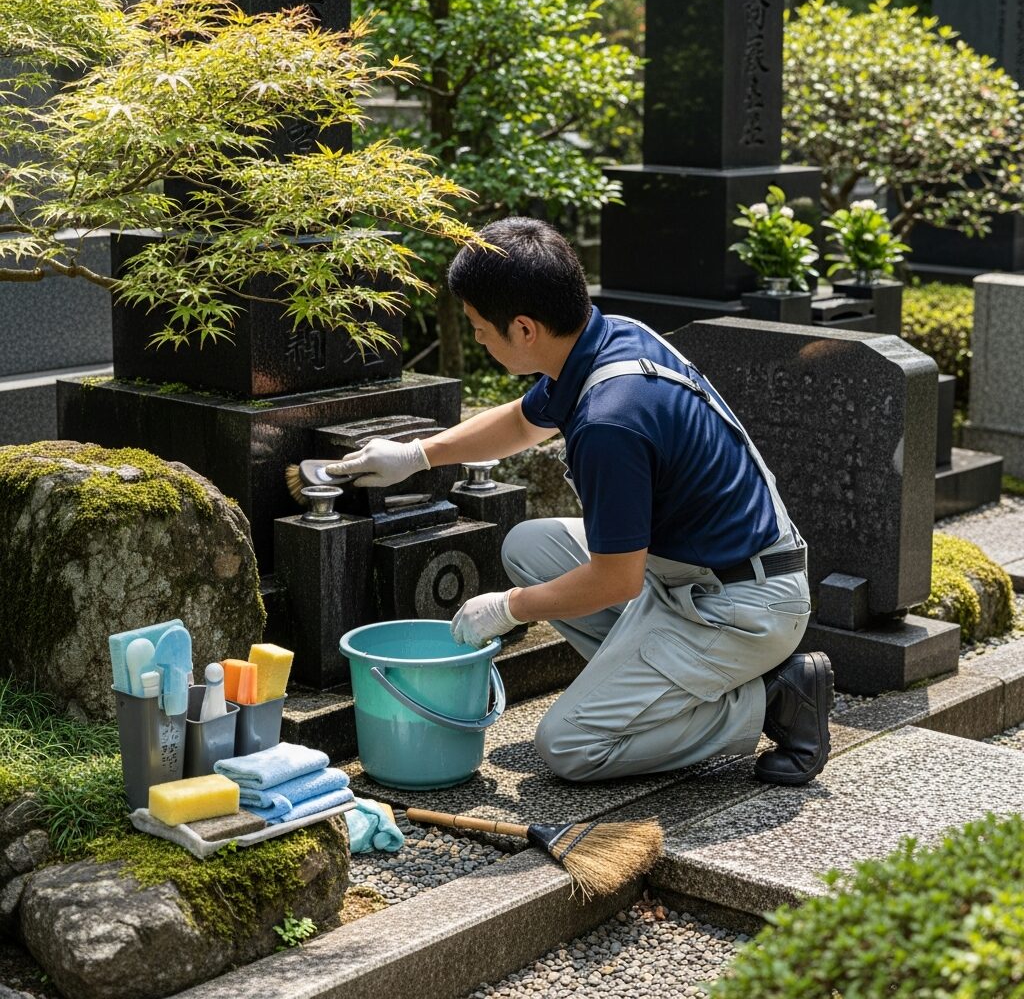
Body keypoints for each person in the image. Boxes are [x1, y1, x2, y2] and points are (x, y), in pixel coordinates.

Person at [327, 217, 832, 786]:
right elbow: (522, 422)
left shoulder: (610, 421)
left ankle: (773, 697)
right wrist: (416, 454)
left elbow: (616, 581)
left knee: (569, 745)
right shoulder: (605, 337)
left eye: (479, 328)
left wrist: (509, 607)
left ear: (522, 328)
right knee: (529, 545)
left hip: (741, 606)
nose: (477, 340)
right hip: (695, 571)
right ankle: (653, 681)